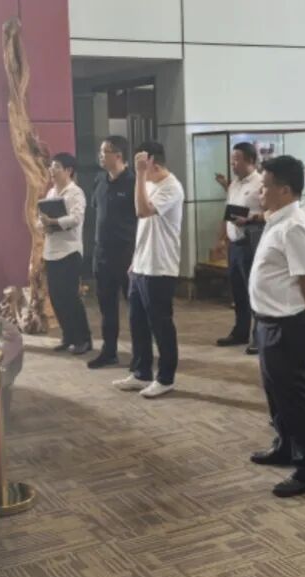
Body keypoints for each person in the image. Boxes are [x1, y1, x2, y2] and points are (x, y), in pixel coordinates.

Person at [246, 154, 305, 498]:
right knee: (276, 393)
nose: (259, 192)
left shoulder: (294, 227)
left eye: (265, 187)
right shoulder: (277, 220)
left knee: (296, 398)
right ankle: (285, 446)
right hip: (268, 322)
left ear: (285, 190)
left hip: (289, 324)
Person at [112, 141, 184, 398]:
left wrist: (140, 175)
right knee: (138, 324)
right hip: (141, 265)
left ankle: (166, 378)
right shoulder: (149, 184)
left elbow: (142, 211)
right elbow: (142, 226)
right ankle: (142, 373)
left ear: (151, 160)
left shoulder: (172, 187)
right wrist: (135, 260)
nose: (136, 166)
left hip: (160, 267)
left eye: (140, 161)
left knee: (161, 326)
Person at [88, 135, 138, 369]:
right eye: (100, 151)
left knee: (134, 308)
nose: (100, 156)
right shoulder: (100, 180)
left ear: (118, 155)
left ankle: (140, 355)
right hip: (102, 253)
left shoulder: (133, 182)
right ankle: (109, 352)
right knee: (106, 307)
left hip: (126, 254)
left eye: (104, 152)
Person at [39, 152, 92, 355]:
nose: (52, 171)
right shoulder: (51, 193)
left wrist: (54, 222)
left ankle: (83, 339)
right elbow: (41, 219)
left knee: (71, 298)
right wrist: (43, 224)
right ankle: (68, 336)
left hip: (69, 252)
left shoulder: (75, 193)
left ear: (69, 170)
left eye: (57, 167)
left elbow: (76, 218)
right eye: (51, 167)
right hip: (51, 252)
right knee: (56, 298)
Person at [215, 142, 264, 355]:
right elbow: (227, 212)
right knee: (238, 291)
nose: (232, 164)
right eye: (231, 159)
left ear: (250, 160)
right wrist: (221, 238)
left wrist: (251, 218)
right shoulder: (234, 184)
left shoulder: (261, 183)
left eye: (237, 159)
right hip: (234, 245)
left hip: (251, 243)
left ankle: (259, 335)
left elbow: (271, 211)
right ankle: (240, 331)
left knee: (254, 290)